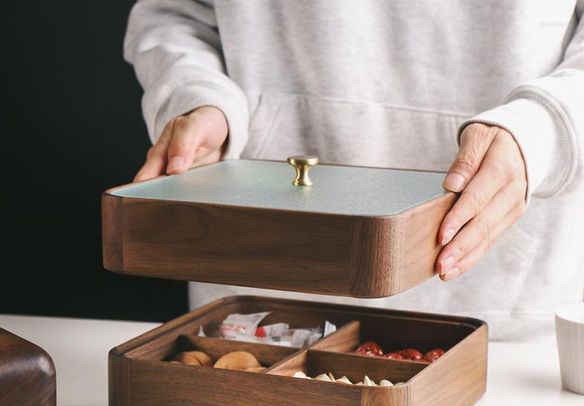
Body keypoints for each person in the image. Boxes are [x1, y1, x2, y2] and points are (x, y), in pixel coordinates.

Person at [124, 0, 584, 340]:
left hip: (506, 311)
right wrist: (199, 97)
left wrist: (542, 129)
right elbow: (175, 15)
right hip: (253, 299)